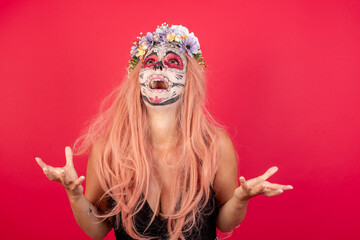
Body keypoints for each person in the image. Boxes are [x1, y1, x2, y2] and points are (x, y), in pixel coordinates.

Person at [35, 23, 293, 240]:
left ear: (188, 79)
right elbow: (98, 230)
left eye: (172, 62)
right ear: (137, 78)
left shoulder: (214, 145)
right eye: (150, 62)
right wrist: (74, 195)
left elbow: (224, 224)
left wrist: (240, 198)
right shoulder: (108, 150)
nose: (159, 68)